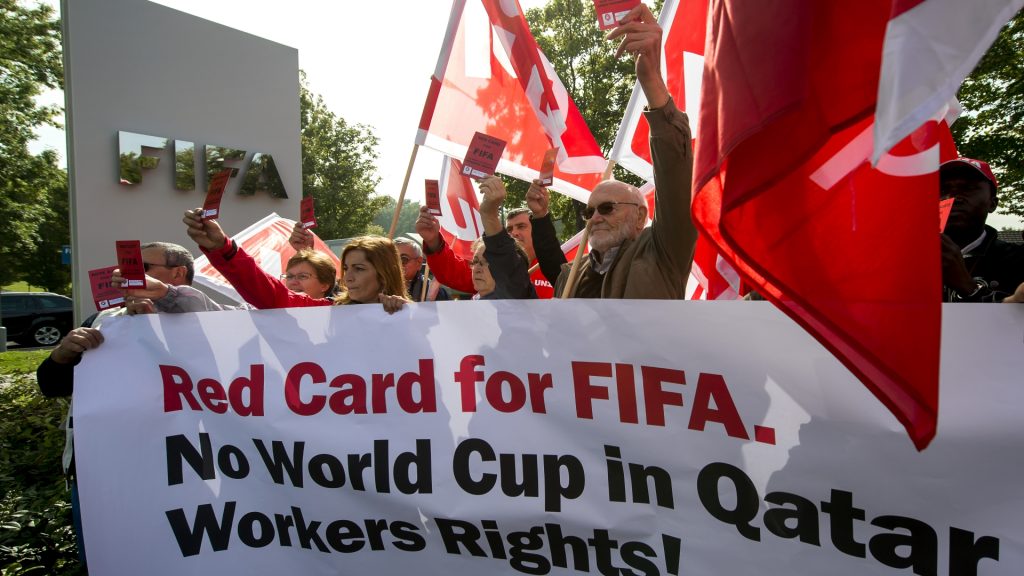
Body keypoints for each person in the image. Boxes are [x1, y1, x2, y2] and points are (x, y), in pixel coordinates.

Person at [36, 241, 197, 568]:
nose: (125, 276)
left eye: (142, 269)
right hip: (99, 474)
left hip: (176, 473)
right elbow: (51, 385)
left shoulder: (204, 323)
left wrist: (152, 331)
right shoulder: (103, 320)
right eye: (126, 269)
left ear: (177, 273)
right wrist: (62, 355)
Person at [530, 4, 697, 299]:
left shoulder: (662, 252)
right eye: (590, 211)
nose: (594, 218)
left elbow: (675, 181)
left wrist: (652, 83)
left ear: (639, 216)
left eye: (607, 208)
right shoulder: (570, 276)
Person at [184, 208, 409, 312]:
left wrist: (407, 317)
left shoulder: (410, 315)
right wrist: (223, 248)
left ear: (384, 273)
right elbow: (273, 296)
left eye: (359, 269)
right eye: (347, 267)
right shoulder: (326, 310)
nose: (347, 277)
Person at [414, 205, 555, 299]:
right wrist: (433, 241)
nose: (514, 233)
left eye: (521, 226)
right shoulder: (488, 268)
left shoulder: (556, 270)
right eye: (509, 229)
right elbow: (452, 272)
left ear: (537, 231)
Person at [940, 157, 1024, 302]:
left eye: (968, 188)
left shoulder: (1018, 260)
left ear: (992, 203)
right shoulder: (906, 259)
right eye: (943, 190)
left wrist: (968, 287)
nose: (953, 197)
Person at [468, 176, 536, 300]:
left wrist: (489, 215)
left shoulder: (518, 287)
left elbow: (506, 259)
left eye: (487, 262)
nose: (477, 268)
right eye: (475, 262)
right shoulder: (473, 304)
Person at [394, 237, 449, 302]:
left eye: (403, 259)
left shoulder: (434, 293)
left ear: (419, 262)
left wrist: (409, 306)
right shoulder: (380, 288)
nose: (396, 264)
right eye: (392, 259)